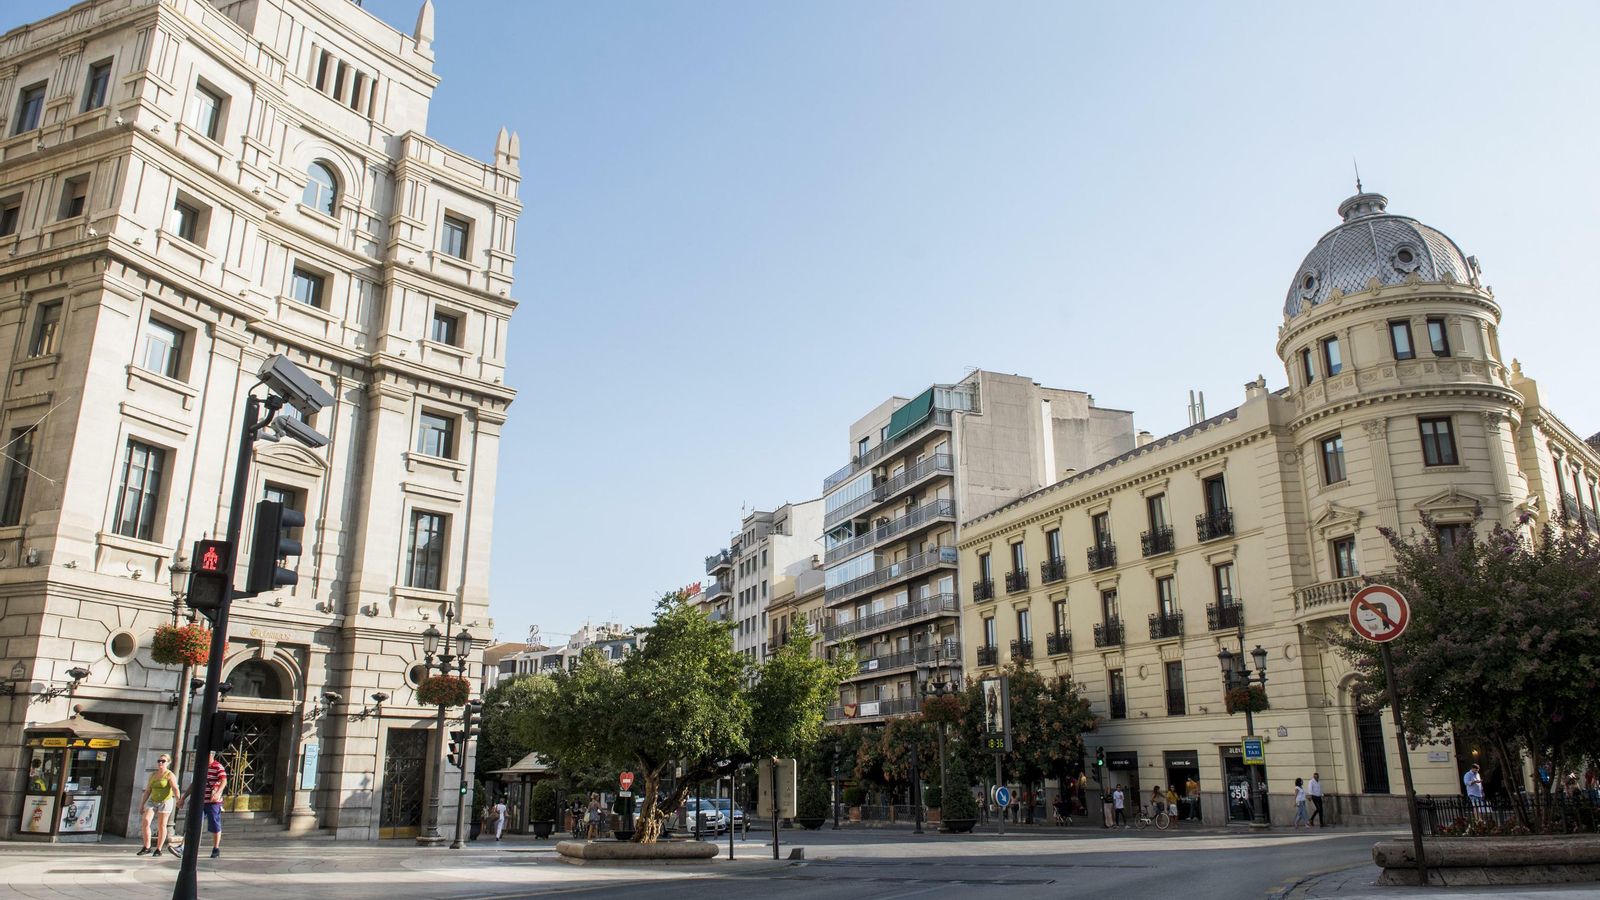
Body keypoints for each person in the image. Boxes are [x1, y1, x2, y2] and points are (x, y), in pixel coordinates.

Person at [179, 751, 227, 859]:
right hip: (199, 801)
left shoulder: (218, 766)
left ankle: (216, 848)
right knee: (194, 823)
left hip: (213, 802)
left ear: (211, 755)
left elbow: (224, 780)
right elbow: (194, 783)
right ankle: (184, 846)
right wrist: (183, 797)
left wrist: (218, 793)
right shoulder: (200, 766)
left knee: (215, 825)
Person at [137, 754, 179, 858]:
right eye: (159, 760)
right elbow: (147, 791)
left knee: (162, 825)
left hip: (165, 801)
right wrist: (142, 805)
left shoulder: (169, 775)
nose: (160, 763)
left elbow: (175, 788)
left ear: (168, 763)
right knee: (146, 821)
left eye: (163, 761)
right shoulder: (153, 775)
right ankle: (147, 847)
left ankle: (159, 849)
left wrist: (179, 799)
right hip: (153, 800)